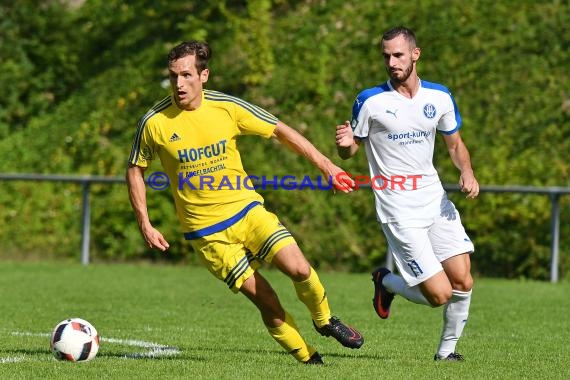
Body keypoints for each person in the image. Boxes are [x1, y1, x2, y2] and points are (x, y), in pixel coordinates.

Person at [127, 40, 363, 365]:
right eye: (173, 76)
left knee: (299, 268)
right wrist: (145, 222)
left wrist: (328, 166)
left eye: (186, 75)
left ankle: (324, 320)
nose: (179, 84)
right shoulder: (154, 121)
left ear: (204, 75)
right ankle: (310, 360)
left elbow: (281, 131)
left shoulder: (228, 107)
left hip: (247, 211)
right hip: (208, 234)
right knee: (267, 300)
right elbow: (135, 169)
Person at [335, 26, 479, 361]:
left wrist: (467, 171)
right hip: (398, 208)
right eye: (386, 56)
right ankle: (385, 282)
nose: (391, 61)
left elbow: (455, 145)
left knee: (463, 280)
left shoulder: (439, 97)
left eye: (398, 54)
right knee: (440, 295)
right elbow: (351, 150)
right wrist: (344, 147)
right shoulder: (369, 100)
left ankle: (447, 354)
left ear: (415, 54)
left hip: (434, 200)